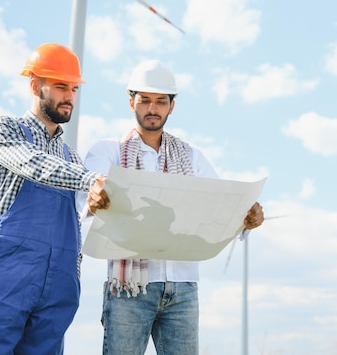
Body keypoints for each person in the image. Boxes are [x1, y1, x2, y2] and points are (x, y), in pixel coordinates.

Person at [82, 60, 265, 355]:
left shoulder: (192, 157)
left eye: (160, 101)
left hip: (183, 288)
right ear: (131, 103)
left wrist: (247, 217)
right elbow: (87, 196)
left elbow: (220, 206)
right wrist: (94, 198)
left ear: (171, 106)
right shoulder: (108, 152)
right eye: (145, 101)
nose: (152, 109)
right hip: (130, 289)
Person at [0, 43, 106, 355]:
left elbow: (75, 215)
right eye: (61, 86)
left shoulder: (71, 157)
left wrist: (97, 201)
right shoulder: (4, 129)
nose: (70, 96)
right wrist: (89, 179)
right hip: (2, 283)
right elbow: (33, 163)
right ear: (35, 85)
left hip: (55, 290)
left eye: (73, 88)